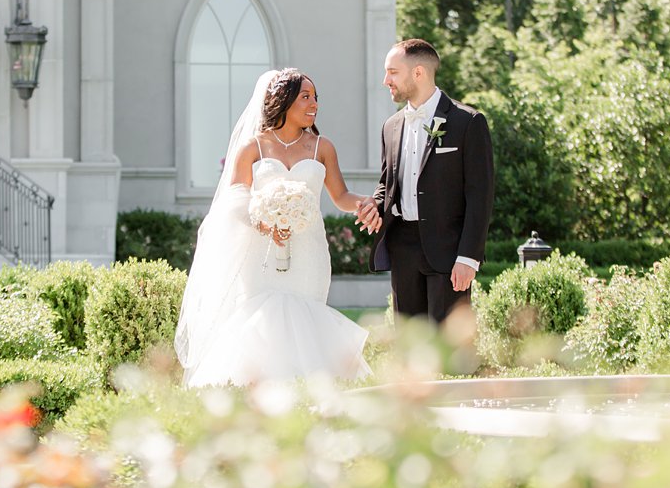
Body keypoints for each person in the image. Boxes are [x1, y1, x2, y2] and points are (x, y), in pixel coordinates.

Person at [175, 69, 374, 388]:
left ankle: (311, 394)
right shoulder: (253, 147)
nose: (314, 104)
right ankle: (256, 394)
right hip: (260, 253)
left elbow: (341, 196)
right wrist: (263, 222)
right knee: (262, 320)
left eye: (315, 97)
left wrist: (366, 203)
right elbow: (235, 198)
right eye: (305, 97)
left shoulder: (322, 147)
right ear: (283, 102)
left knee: (306, 319)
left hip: (309, 252)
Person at [356, 39, 494, 323]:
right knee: (410, 348)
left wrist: (468, 257)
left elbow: (480, 196)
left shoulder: (468, 122)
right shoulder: (391, 127)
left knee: (449, 351)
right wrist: (376, 205)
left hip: (448, 249)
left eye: (393, 72)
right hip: (402, 247)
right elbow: (387, 184)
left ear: (418, 72)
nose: (386, 80)